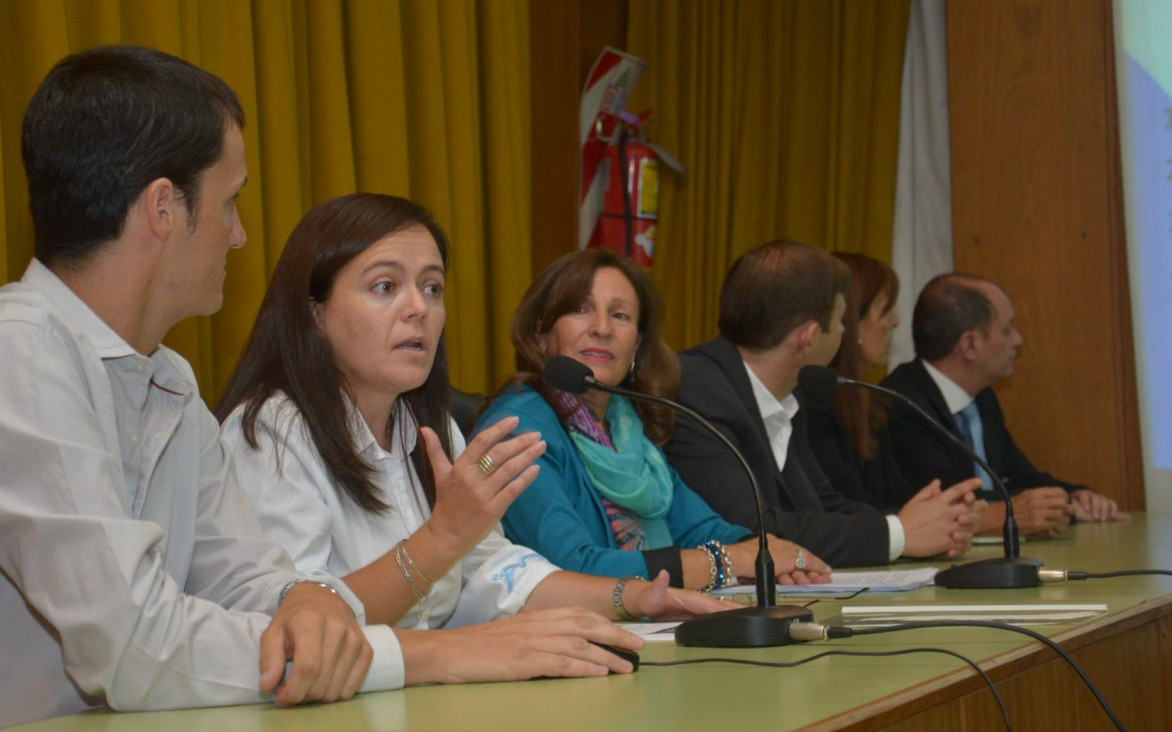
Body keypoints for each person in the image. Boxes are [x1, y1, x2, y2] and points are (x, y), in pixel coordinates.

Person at [0, 46, 378, 727]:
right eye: (230, 201)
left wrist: (305, 600)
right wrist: (394, 655)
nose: (238, 237)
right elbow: (131, 647)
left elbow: (242, 574)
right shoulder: (18, 352)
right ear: (164, 208)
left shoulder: (167, 375)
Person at [217, 193, 727, 676]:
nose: (418, 308)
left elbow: (494, 573)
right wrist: (442, 544)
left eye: (432, 288)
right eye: (385, 287)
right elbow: (300, 628)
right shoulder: (270, 431)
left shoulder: (425, 424)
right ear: (314, 312)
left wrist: (631, 597)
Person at [476, 249, 832, 592]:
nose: (602, 328)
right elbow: (571, 568)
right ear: (541, 335)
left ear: (637, 345)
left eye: (621, 316)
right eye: (580, 309)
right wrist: (722, 562)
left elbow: (699, 527)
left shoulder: (626, 428)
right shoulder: (516, 431)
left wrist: (765, 553)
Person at [664, 241, 979, 569]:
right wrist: (898, 533)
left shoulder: (789, 393)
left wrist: (921, 522)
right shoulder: (696, 392)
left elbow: (820, 506)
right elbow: (750, 530)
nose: (844, 331)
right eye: (842, 320)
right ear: (809, 337)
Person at [882, 273, 1126, 535]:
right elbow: (953, 495)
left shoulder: (982, 397)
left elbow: (1020, 477)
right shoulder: (900, 403)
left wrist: (1076, 495)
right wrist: (1058, 504)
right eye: (1007, 330)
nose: (1018, 340)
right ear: (970, 345)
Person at [805, 253, 974, 511]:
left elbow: (896, 497)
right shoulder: (810, 407)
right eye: (885, 311)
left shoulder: (872, 403)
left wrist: (946, 512)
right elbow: (840, 510)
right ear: (851, 323)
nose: (895, 322)